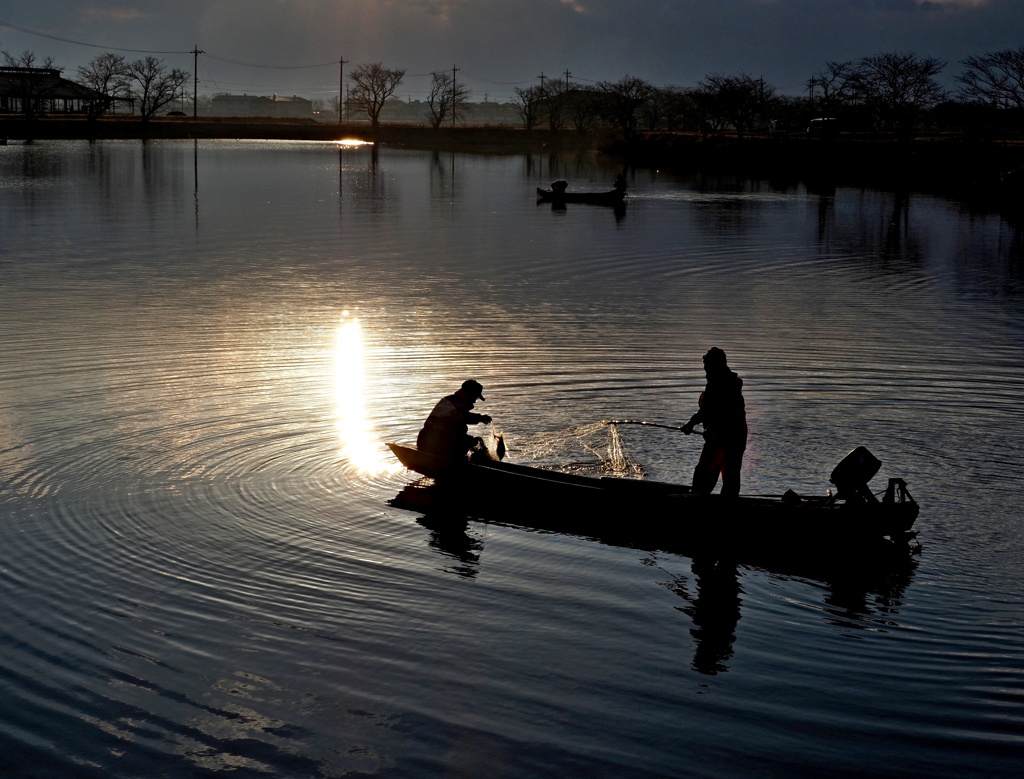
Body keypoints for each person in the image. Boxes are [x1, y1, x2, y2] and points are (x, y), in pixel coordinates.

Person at [681, 348, 748, 497]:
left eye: (707, 365)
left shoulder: (717, 383)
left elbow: (708, 410)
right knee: (731, 475)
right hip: (736, 437)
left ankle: (699, 499)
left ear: (715, 364)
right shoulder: (730, 382)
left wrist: (690, 424)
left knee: (705, 474)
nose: (705, 369)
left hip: (721, 438)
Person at [417, 379, 492, 459]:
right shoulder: (455, 406)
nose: (474, 401)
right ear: (468, 394)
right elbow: (465, 417)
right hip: (434, 446)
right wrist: (481, 418)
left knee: (470, 439)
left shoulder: (451, 401)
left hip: (426, 442)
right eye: (475, 397)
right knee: (472, 440)